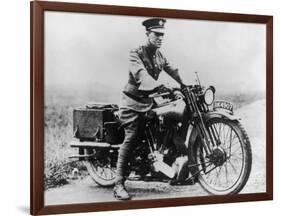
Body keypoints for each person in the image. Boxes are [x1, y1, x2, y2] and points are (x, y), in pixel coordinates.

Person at [113, 18, 186, 200]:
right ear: (148, 34)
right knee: (131, 138)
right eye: (157, 34)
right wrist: (159, 85)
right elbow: (141, 76)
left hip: (149, 102)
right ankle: (118, 184)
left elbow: (173, 70)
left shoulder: (159, 55)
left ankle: (165, 166)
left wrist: (185, 85)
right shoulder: (136, 53)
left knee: (168, 121)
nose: (160, 38)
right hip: (132, 104)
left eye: (162, 35)